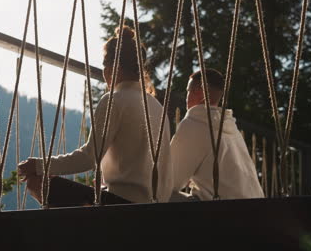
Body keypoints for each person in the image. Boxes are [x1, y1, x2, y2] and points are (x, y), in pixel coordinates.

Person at [18, 26, 173, 207]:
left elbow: (89, 158)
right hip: (158, 206)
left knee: (38, 183)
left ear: (110, 68)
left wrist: (38, 165)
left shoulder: (114, 100)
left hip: (123, 206)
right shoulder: (157, 106)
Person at [170, 69, 264, 202]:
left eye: (188, 91)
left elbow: (168, 181)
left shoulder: (194, 123)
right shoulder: (231, 127)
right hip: (256, 210)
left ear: (200, 91)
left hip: (220, 214)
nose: (187, 96)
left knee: (157, 191)